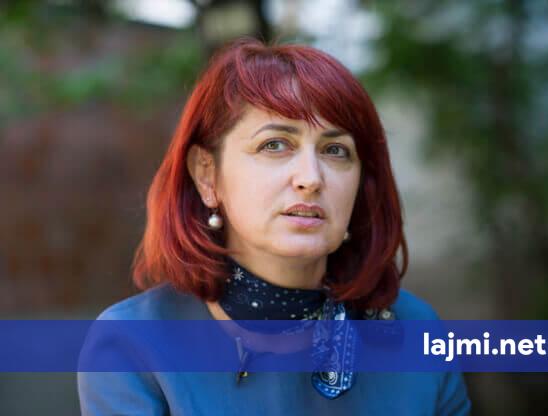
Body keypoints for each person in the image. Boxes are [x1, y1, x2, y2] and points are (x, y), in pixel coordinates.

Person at [77, 38, 471, 415]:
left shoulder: (418, 330)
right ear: (207, 175)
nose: (310, 178)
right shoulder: (132, 344)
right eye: (275, 145)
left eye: (335, 150)